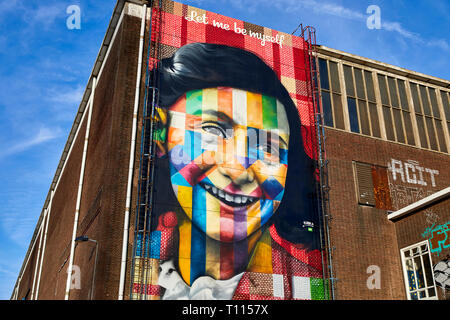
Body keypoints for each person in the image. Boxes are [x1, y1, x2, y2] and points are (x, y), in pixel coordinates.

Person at [142, 42, 324, 300]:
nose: (239, 170)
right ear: (162, 135)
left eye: (267, 146)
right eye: (213, 131)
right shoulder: (130, 262)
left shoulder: (308, 288)